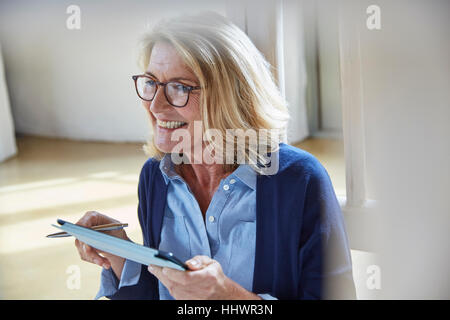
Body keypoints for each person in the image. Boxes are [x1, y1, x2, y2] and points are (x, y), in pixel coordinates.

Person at [74, 12, 356, 300]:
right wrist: (120, 251)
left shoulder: (299, 180)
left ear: (229, 95)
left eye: (179, 87)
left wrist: (228, 297)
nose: (156, 105)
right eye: (151, 83)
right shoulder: (156, 176)